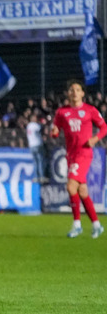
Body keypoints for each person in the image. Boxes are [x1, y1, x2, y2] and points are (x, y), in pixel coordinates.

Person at [51, 80, 107, 238]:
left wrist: (95, 139)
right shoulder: (62, 112)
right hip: (71, 154)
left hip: (84, 153)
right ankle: (97, 225)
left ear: (82, 93)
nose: (74, 92)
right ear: (68, 94)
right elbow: (56, 129)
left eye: (77, 89)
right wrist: (54, 132)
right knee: (82, 191)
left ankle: (77, 225)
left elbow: (104, 127)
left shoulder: (90, 110)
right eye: (71, 90)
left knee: (70, 187)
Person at [26, 113, 46, 183]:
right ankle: (42, 176)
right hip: (37, 144)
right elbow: (41, 128)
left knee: (35, 162)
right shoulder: (35, 125)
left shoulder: (28, 126)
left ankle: (36, 177)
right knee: (40, 161)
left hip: (31, 145)